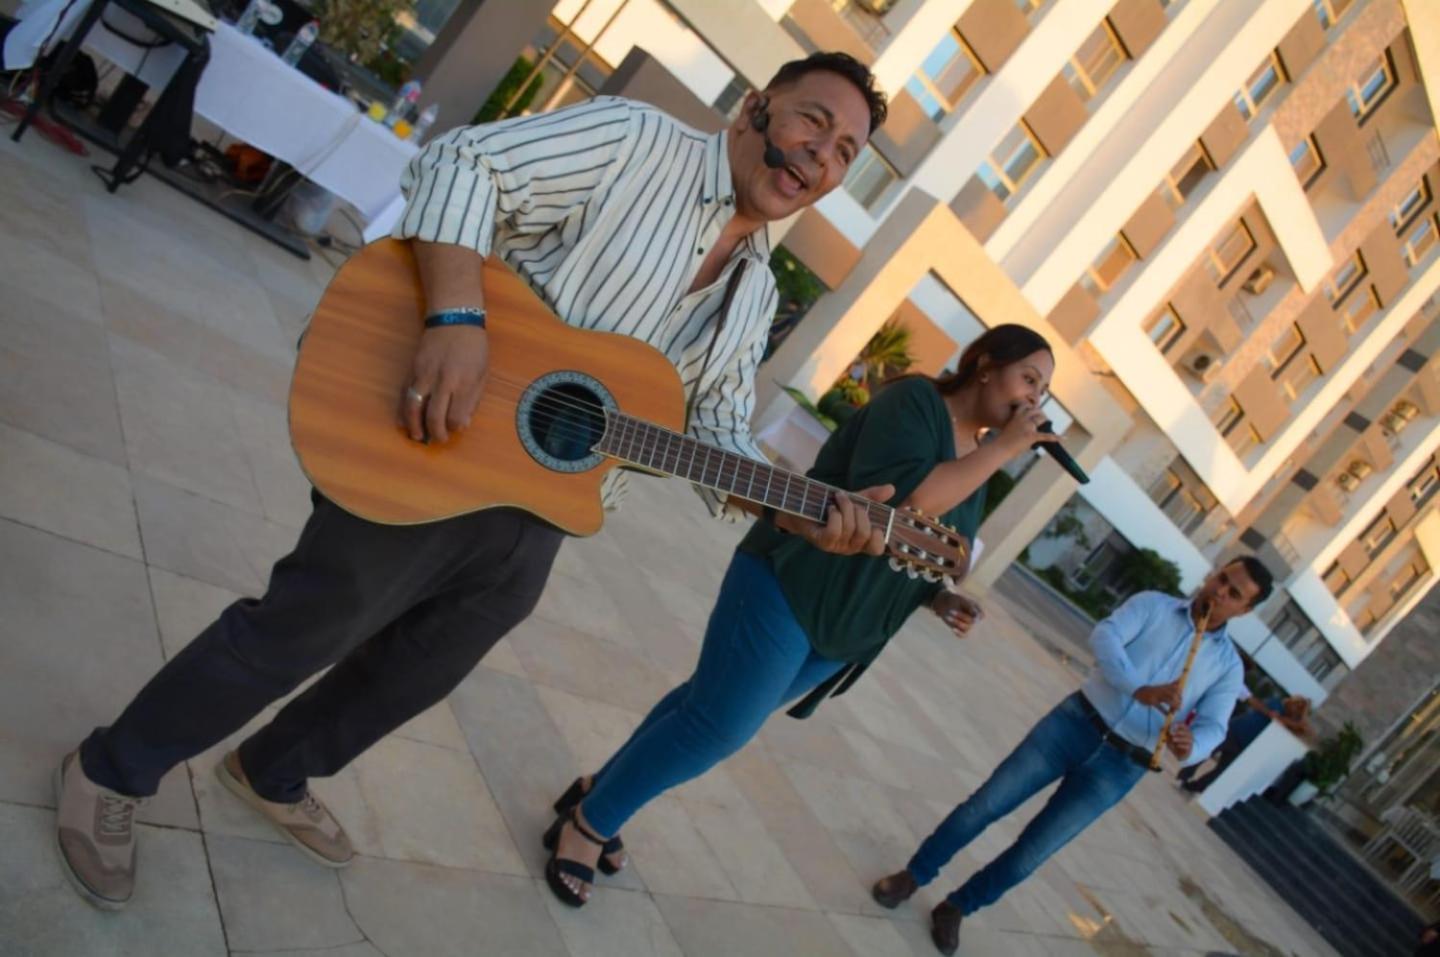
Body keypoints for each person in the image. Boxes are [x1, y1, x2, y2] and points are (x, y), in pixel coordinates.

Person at [52, 51, 890, 911]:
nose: (819, 154)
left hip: (545, 504)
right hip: (440, 424)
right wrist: (456, 318)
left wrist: (801, 509)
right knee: (304, 626)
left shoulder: (755, 294)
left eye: (843, 153)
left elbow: (714, 429)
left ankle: (271, 769)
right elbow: (464, 162)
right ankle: (111, 767)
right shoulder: (640, 141)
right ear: (757, 106)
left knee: (416, 670)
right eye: (812, 121)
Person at [543, 324, 1062, 908]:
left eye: (1042, 391)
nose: (1033, 398)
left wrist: (938, 598)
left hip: (847, 630)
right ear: (986, 364)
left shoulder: (981, 457)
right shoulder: (916, 402)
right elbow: (908, 505)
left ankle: (596, 795)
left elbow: (927, 546)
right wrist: (1004, 449)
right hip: (791, 581)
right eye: (1029, 379)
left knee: (701, 707)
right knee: (718, 727)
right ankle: (589, 824)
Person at [871, 556, 1275, 956]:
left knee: (1031, 855)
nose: (1220, 592)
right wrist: (1138, 689)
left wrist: (1191, 745)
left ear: (1245, 610)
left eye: (1233, 593)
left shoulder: (1228, 668)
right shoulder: (1154, 604)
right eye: (1222, 578)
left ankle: (958, 907)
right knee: (984, 806)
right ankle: (914, 875)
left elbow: (1214, 727)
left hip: (1123, 766)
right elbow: (1105, 636)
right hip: (1074, 723)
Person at [1178, 692, 1310, 793]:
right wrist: (1294, 721)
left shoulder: (1286, 721)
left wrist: (1302, 717)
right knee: (1206, 752)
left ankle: (1196, 786)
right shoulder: (1277, 704)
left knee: (1221, 770)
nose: (1295, 709)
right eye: (1297, 706)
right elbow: (1274, 717)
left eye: (1298, 709)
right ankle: (1185, 776)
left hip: (1244, 743)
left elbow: (1304, 730)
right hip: (1235, 730)